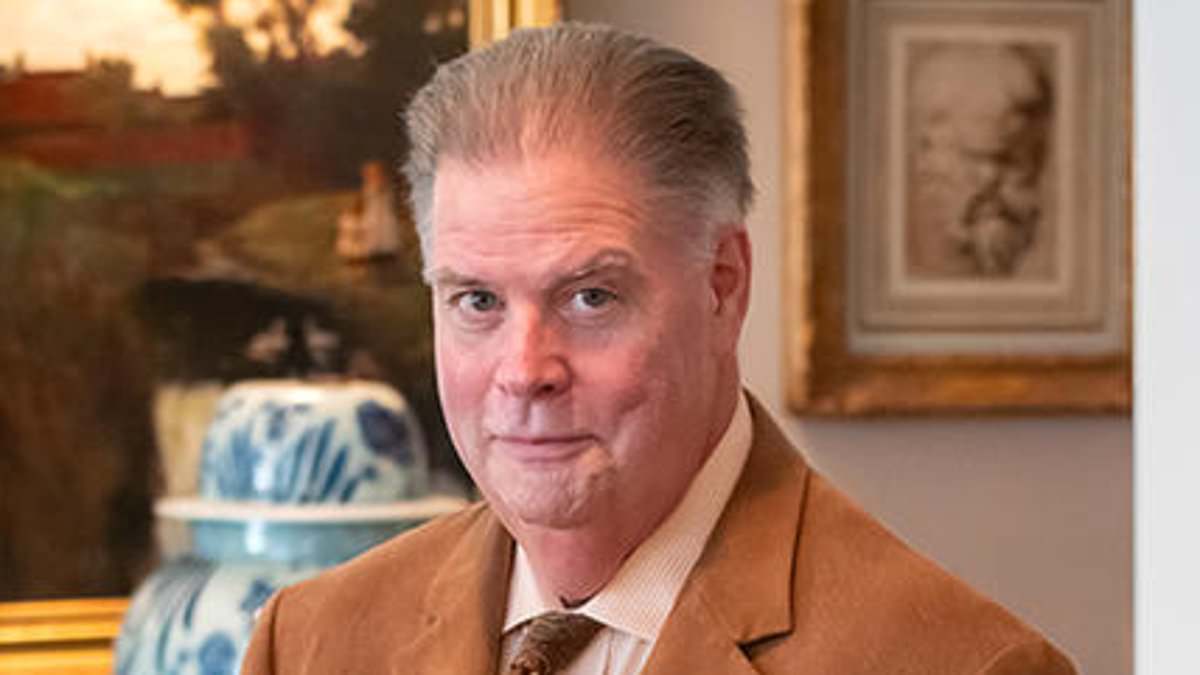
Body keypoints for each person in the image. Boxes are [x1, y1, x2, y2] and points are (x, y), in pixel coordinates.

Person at [243, 23, 1076, 674]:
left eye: (590, 297)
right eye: (478, 301)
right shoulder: (308, 642)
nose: (525, 371)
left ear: (723, 285)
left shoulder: (964, 665)